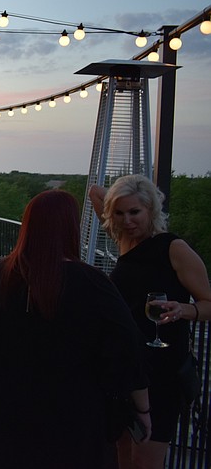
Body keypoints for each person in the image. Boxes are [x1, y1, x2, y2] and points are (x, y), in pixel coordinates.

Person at [0, 190, 149, 469]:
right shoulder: (91, 283)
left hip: (5, 408)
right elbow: (128, 348)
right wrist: (142, 409)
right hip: (73, 414)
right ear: (71, 228)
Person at [90, 174, 210, 469]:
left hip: (162, 369)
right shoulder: (124, 240)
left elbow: (209, 304)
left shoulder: (173, 248)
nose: (127, 220)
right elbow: (94, 191)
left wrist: (184, 310)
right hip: (128, 366)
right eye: (119, 213)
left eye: (135, 212)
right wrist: (124, 195)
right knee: (124, 453)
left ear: (151, 211)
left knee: (146, 459)